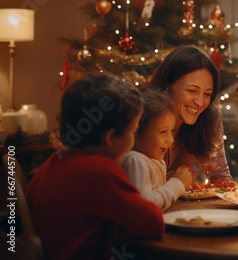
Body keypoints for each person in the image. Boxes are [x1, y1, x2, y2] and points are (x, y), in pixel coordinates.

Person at [25, 73, 164, 260]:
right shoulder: (98, 171)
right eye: (133, 131)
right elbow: (152, 223)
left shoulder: (54, 162)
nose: (134, 139)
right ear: (111, 137)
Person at [149, 45, 232, 182]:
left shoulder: (209, 116)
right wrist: (168, 181)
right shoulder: (145, 118)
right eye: (192, 91)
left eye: (207, 94)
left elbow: (221, 178)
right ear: (167, 85)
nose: (200, 102)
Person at [121, 87, 192, 211]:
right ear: (137, 131)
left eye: (171, 131)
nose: (170, 140)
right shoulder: (136, 160)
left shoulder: (154, 159)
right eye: (163, 132)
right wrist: (177, 184)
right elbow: (144, 206)